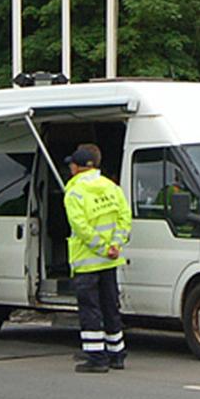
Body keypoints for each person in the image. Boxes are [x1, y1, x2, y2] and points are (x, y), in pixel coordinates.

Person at [64, 143, 132, 373]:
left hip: (87, 262)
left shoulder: (73, 192)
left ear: (77, 167)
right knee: (110, 306)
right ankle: (117, 354)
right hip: (110, 261)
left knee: (90, 309)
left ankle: (96, 357)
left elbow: (81, 228)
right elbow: (125, 219)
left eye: (71, 165)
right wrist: (115, 245)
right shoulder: (112, 187)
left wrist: (103, 248)